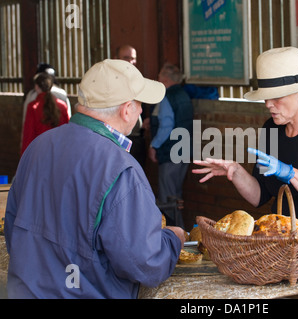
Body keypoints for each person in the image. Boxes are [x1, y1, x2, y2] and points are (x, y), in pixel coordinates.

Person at [5, 59, 185, 299]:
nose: (142, 110)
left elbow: (12, 231)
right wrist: (173, 239)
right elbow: (144, 263)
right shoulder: (121, 169)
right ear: (126, 108)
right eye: (140, 104)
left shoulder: (37, 147)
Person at [193, 47, 298, 220]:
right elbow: (259, 196)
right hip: (281, 235)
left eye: (277, 97)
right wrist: (236, 171)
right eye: (266, 97)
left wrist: (291, 174)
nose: (268, 104)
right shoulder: (271, 128)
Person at [149, 63, 194, 228]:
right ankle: (180, 233)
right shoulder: (183, 95)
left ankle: (173, 236)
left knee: (167, 198)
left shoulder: (166, 96)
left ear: (165, 79)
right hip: (184, 151)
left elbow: (166, 126)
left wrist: (154, 145)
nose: (158, 79)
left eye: (160, 76)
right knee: (175, 195)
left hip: (170, 152)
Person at [21, 72, 70, 155]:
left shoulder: (33, 107)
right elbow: (67, 132)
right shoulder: (62, 106)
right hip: (59, 152)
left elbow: (28, 134)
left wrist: (24, 155)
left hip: (39, 153)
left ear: (36, 86)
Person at [115, 44, 147, 168]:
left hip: (137, 139)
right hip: (117, 139)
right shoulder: (109, 80)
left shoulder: (139, 81)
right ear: (116, 58)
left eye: (133, 58)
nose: (130, 62)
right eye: (126, 58)